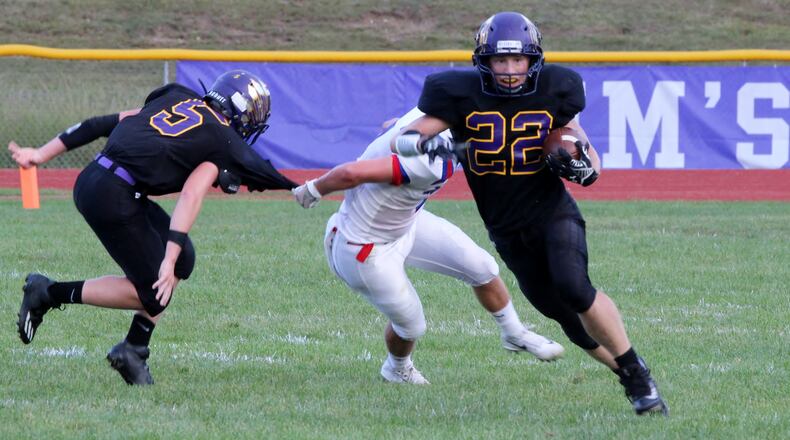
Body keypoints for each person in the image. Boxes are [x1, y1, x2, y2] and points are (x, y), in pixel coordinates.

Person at [390, 12, 668, 414]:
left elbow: (588, 156)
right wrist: (422, 145)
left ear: (532, 60)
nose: (508, 70)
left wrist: (581, 165)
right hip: (505, 229)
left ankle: (637, 373)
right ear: (483, 61)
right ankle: (629, 376)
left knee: (575, 288)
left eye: (517, 60)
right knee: (565, 319)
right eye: (500, 61)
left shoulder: (558, 89)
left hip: (551, 212)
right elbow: (405, 138)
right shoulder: (456, 93)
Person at [9, 70, 296, 385]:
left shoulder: (177, 98)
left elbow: (98, 125)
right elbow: (190, 196)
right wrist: (168, 257)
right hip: (113, 195)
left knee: (185, 258)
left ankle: (134, 349)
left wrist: (39, 154)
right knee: (155, 293)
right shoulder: (221, 138)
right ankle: (48, 292)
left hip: (100, 179)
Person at [292, 107, 564, 385]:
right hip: (364, 246)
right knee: (412, 325)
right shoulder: (431, 161)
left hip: (404, 221)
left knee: (482, 267)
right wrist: (314, 189)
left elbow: (393, 123)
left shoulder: (432, 117)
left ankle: (514, 333)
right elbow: (351, 173)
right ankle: (397, 368)